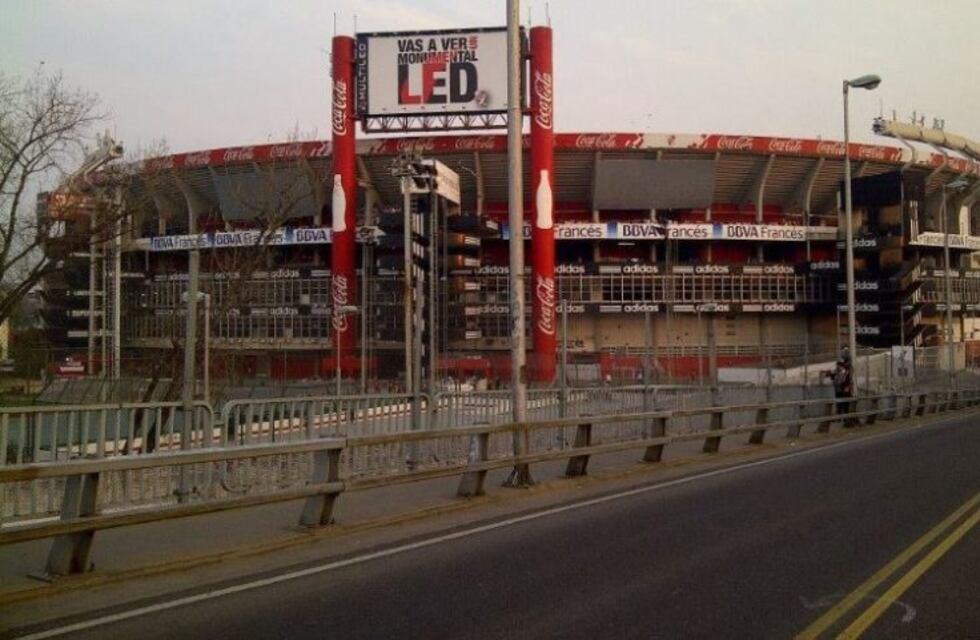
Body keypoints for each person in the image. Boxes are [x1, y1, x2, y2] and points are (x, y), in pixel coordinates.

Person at [824, 351, 855, 426]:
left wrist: (849, 387)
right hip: (839, 389)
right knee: (840, 404)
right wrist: (830, 374)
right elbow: (834, 376)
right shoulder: (839, 370)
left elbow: (850, 380)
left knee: (845, 405)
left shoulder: (848, 369)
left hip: (845, 389)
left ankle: (846, 419)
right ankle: (841, 418)